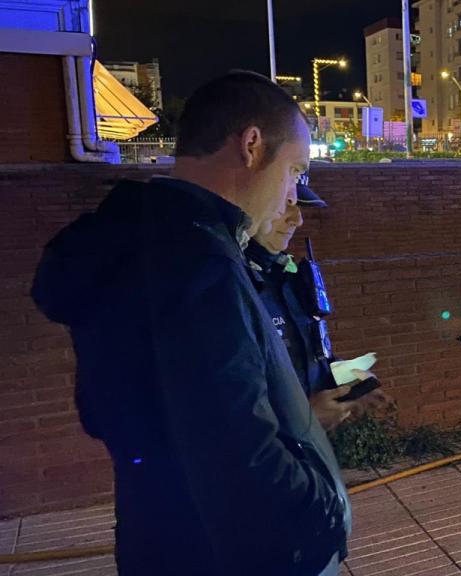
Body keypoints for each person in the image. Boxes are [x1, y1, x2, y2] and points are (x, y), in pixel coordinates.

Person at [32, 71, 351, 576]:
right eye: (294, 170)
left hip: (157, 530)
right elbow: (237, 448)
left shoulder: (133, 236)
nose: (292, 194)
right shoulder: (200, 262)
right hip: (231, 552)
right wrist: (325, 511)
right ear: (251, 145)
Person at [245, 175, 388, 431]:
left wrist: (350, 386)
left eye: (299, 206)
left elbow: (306, 356)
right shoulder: (232, 288)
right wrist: (302, 418)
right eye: (285, 204)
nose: (297, 220)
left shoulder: (285, 276)